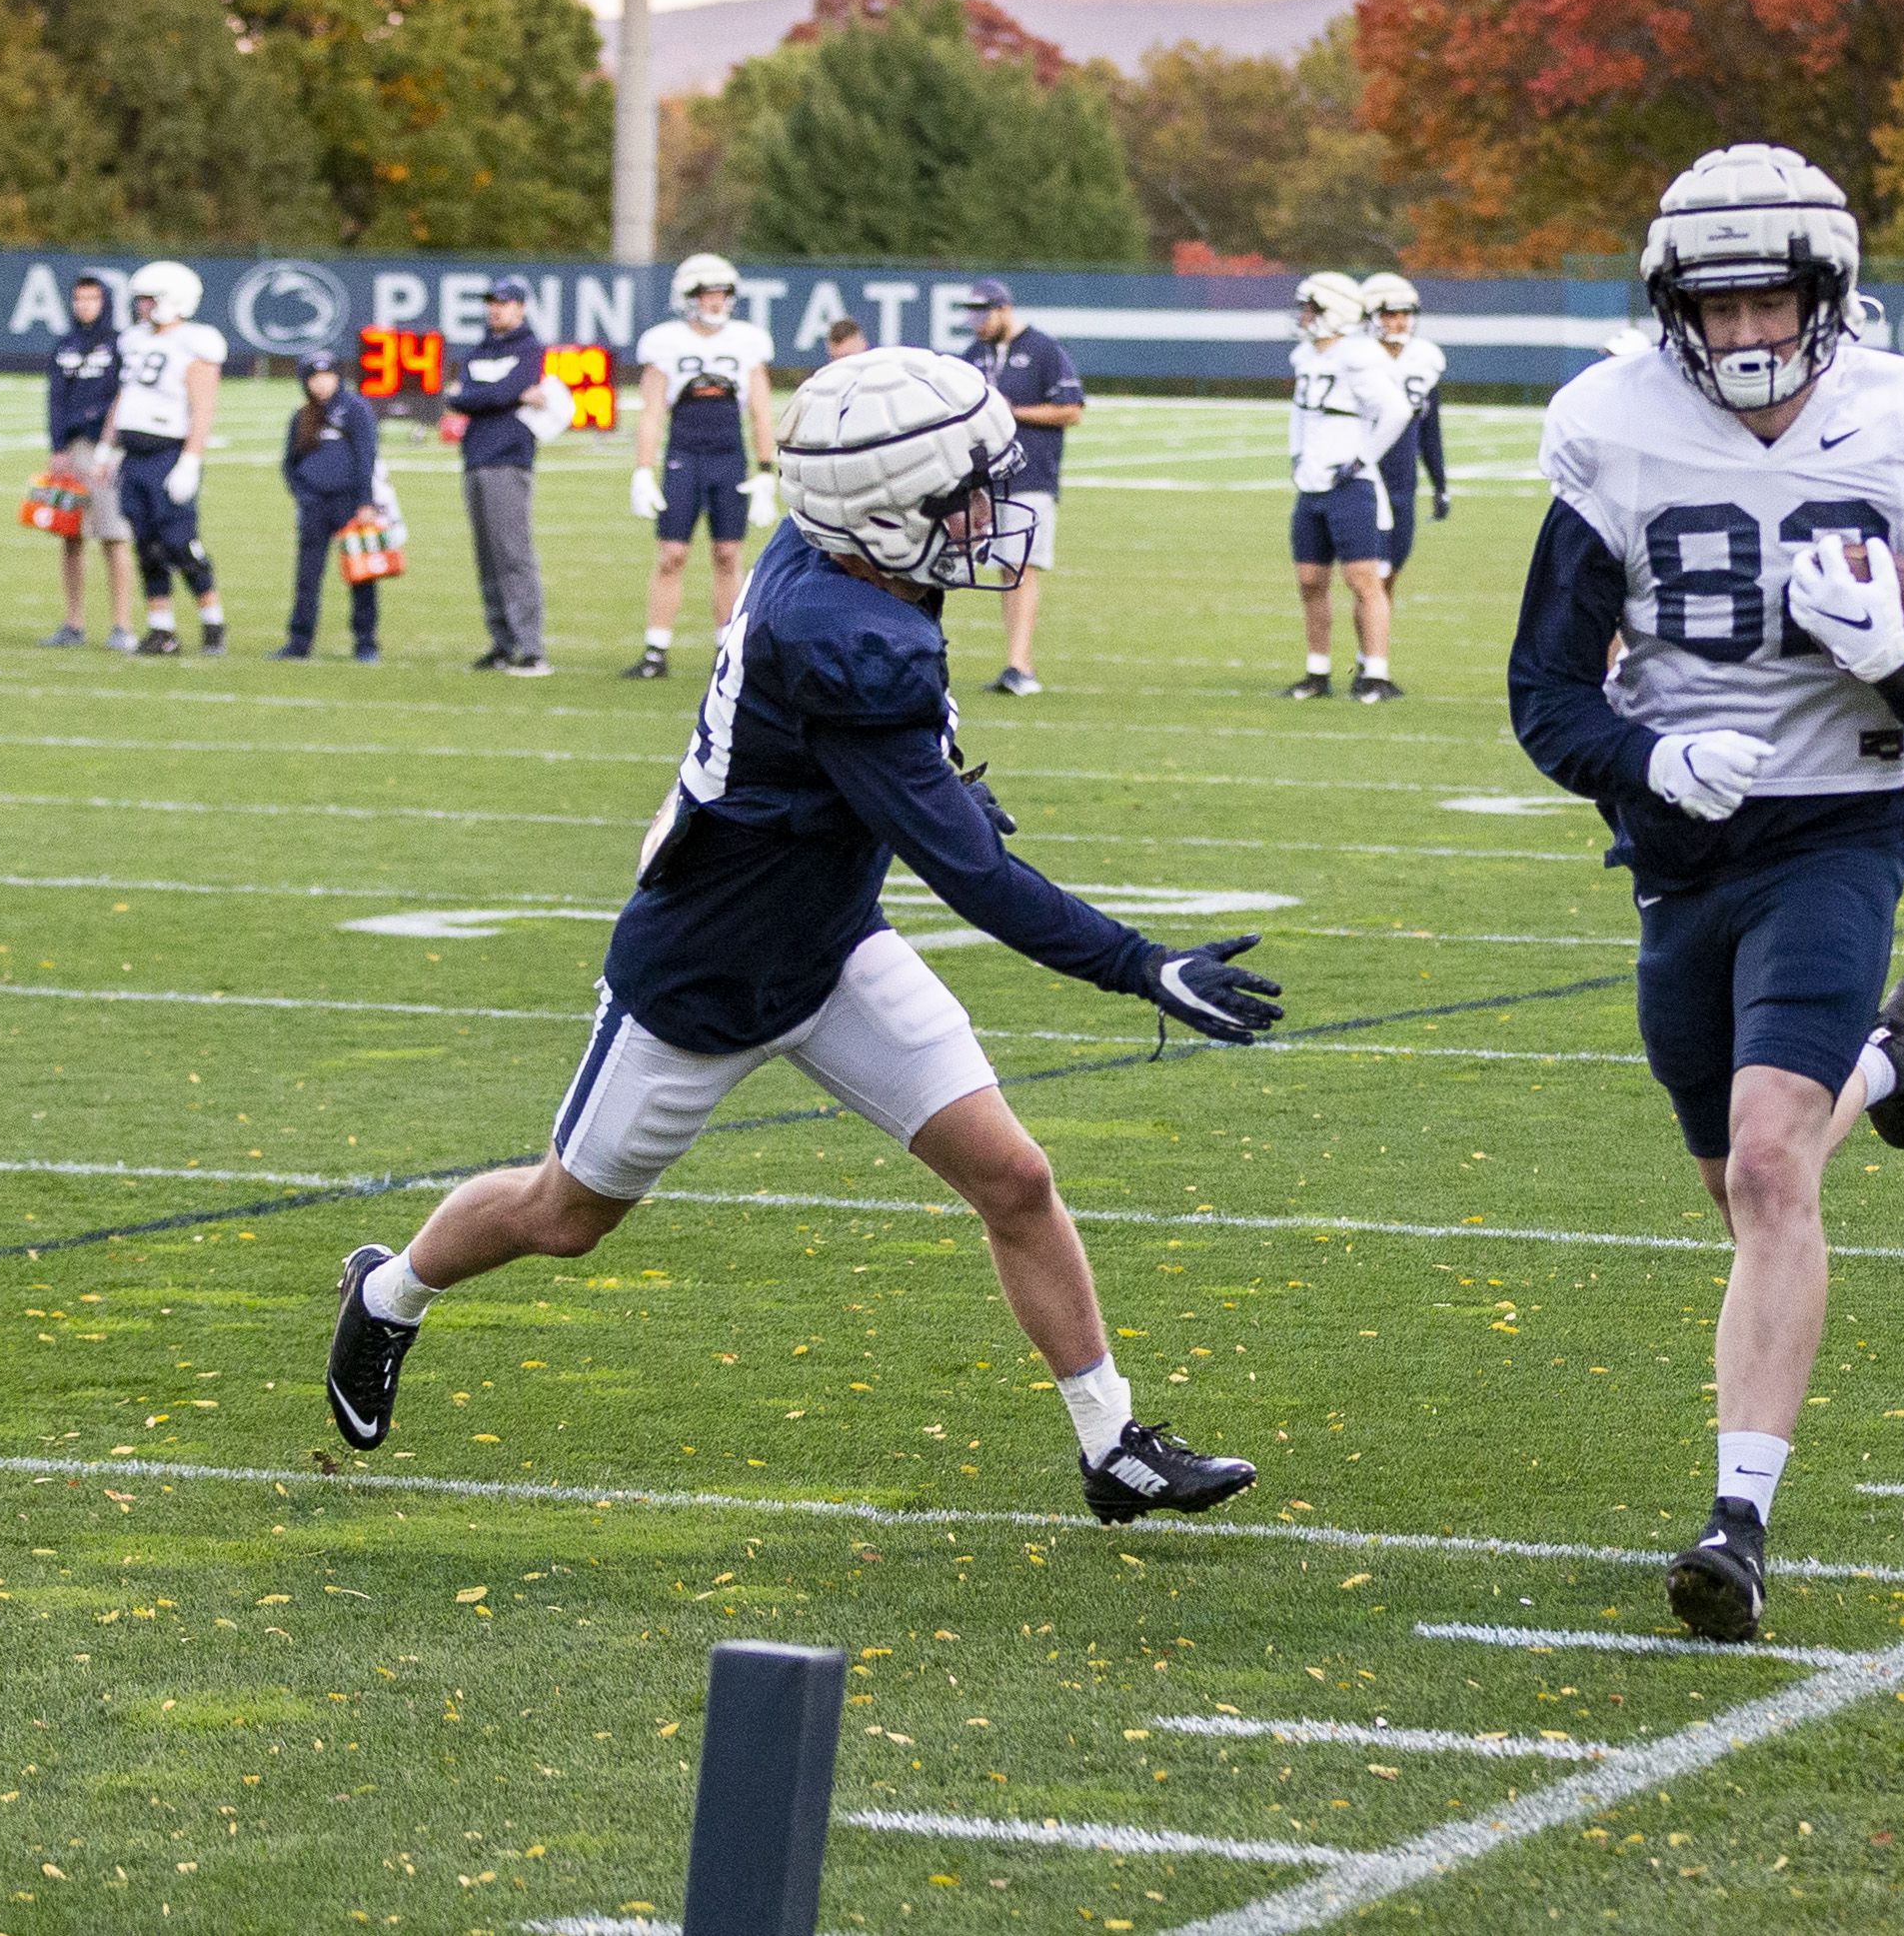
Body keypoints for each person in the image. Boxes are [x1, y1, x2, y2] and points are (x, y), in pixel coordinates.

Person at [325, 348, 1284, 1524]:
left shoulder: (843, 558)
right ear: (881, 518)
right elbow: (970, 871)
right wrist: (1138, 962)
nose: (986, 514)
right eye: (958, 495)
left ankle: (1111, 1443)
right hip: (708, 974)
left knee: (1016, 1176)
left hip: (827, 940)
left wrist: (915, 781)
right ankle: (390, 1290)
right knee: (562, 1214)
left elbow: (863, 772)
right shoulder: (838, 627)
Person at [1508, 143, 1904, 1643]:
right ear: (1671, 306)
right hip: (1681, 846)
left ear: (1827, 293)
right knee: (1741, 1181)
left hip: (1838, 828)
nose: (1741, 331)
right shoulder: (1609, 423)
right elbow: (1545, 697)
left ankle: (1737, 1518)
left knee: (1768, 1166)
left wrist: (1892, 660)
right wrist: (1649, 764)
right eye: (1712, 303)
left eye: (1768, 296)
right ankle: (1888, 1055)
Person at [625, 253, 778, 680]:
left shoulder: (748, 341)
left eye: (723, 294)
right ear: (689, 297)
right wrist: (642, 469)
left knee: (728, 554)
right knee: (672, 554)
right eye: (708, 294)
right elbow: (652, 411)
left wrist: (766, 471)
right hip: (683, 455)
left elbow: (762, 413)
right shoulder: (665, 341)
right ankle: (656, 650)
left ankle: (726, 649)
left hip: (729, 456)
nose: (716, 302)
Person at [1282, 271, 1410, 702]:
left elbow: (1396, 412)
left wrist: (1362, 459)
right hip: (1313, 484)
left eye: (1311, 308)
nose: (1303, 316)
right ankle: (1317, 671)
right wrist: (1297, 455)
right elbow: (1300, 414)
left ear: (1333, 311)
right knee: (1309, 579)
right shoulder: (1306, 357)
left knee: (1362, 579)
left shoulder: (1357, 356)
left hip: (1350, 486)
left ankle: (1375, 672)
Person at [956, 279, 1084, 696]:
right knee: (1005, 568)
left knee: (1022, 565)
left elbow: (1071, 409)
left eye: (982, 314)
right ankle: (1015, 662)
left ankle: (1020, 664)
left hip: (1032, 474)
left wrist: (1015, 413)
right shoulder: (973, 356)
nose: (976, 323)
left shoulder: (1044, 349)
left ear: (1004, 309)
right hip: (987, 480)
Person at [99, 260, 226, 658]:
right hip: (135, 455)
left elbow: (203, 408)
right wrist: (108, 445)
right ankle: (161, 628)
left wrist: (190, 460)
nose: (141, 307)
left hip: (169, 454)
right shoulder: (135, 340)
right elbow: (125, 396)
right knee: (147, 545)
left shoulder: (196, 342)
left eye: (148, 300)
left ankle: (212, 619)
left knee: (180, 544)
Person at [452, 276, 551, 677]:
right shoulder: (477, 350)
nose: (496, 308)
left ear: (521, 308)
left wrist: (482, 396)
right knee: (487, 557)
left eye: (505, 302)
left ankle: (530, 647)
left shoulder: (529, 349)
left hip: (509, 458)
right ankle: (501, 642)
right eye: (492, 302)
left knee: (513, 554)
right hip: (475, 456)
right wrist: (498, 395)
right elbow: (461, 398)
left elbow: (480, 394)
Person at [38, 271, 137, 651]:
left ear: (106, 302)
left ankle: (122, 626)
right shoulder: (64, 345)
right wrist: (57, 447)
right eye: (79, 299)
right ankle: (73, 623)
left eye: (92, 299)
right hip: (72, 449)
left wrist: (110, 443)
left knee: (114, 536)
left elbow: (122, 395)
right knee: (70, 536)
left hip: (106, 449)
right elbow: (55, 399)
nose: (84, 306)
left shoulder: (120, 344)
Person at [276, 350, 385, 663]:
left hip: (350, 502)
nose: (321, 384)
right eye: (314, 378)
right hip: (314, 505)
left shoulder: (355, 410)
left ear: (338, 377)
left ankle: (365, 643)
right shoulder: (302, 416)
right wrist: (302, 493)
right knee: (307, 575)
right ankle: (299, 641)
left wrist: (365, 501)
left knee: (361, 575)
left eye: (327, 376)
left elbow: (367, 458)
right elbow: (289, 462)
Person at [1359, 272, 1448, 603]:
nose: (1399, 323)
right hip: (1366, 477)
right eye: (1390, 314)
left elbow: (1429, 430)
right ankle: (1371, 651)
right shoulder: (1357, 360)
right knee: (1372, 573)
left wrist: (1440, 484)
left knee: (1393, 568)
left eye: (1405, 314)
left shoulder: (1424, 360)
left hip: (1403, 481)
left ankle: (1374, 648)